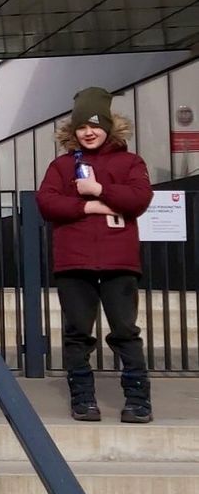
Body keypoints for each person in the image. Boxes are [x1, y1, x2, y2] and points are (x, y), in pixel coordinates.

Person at [36, 87, 154, 423]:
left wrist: (100, 189)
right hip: (74, 261)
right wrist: (90, 205)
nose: (89, 132)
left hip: (120, 261)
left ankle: (138, 399)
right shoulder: (61, 166)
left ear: (108, 126)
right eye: (82, 127)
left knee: (125, 331)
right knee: (77, 333)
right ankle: (83, 398)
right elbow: (47, 202)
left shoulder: (131, 162)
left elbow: (139, 199)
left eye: (95, 125)